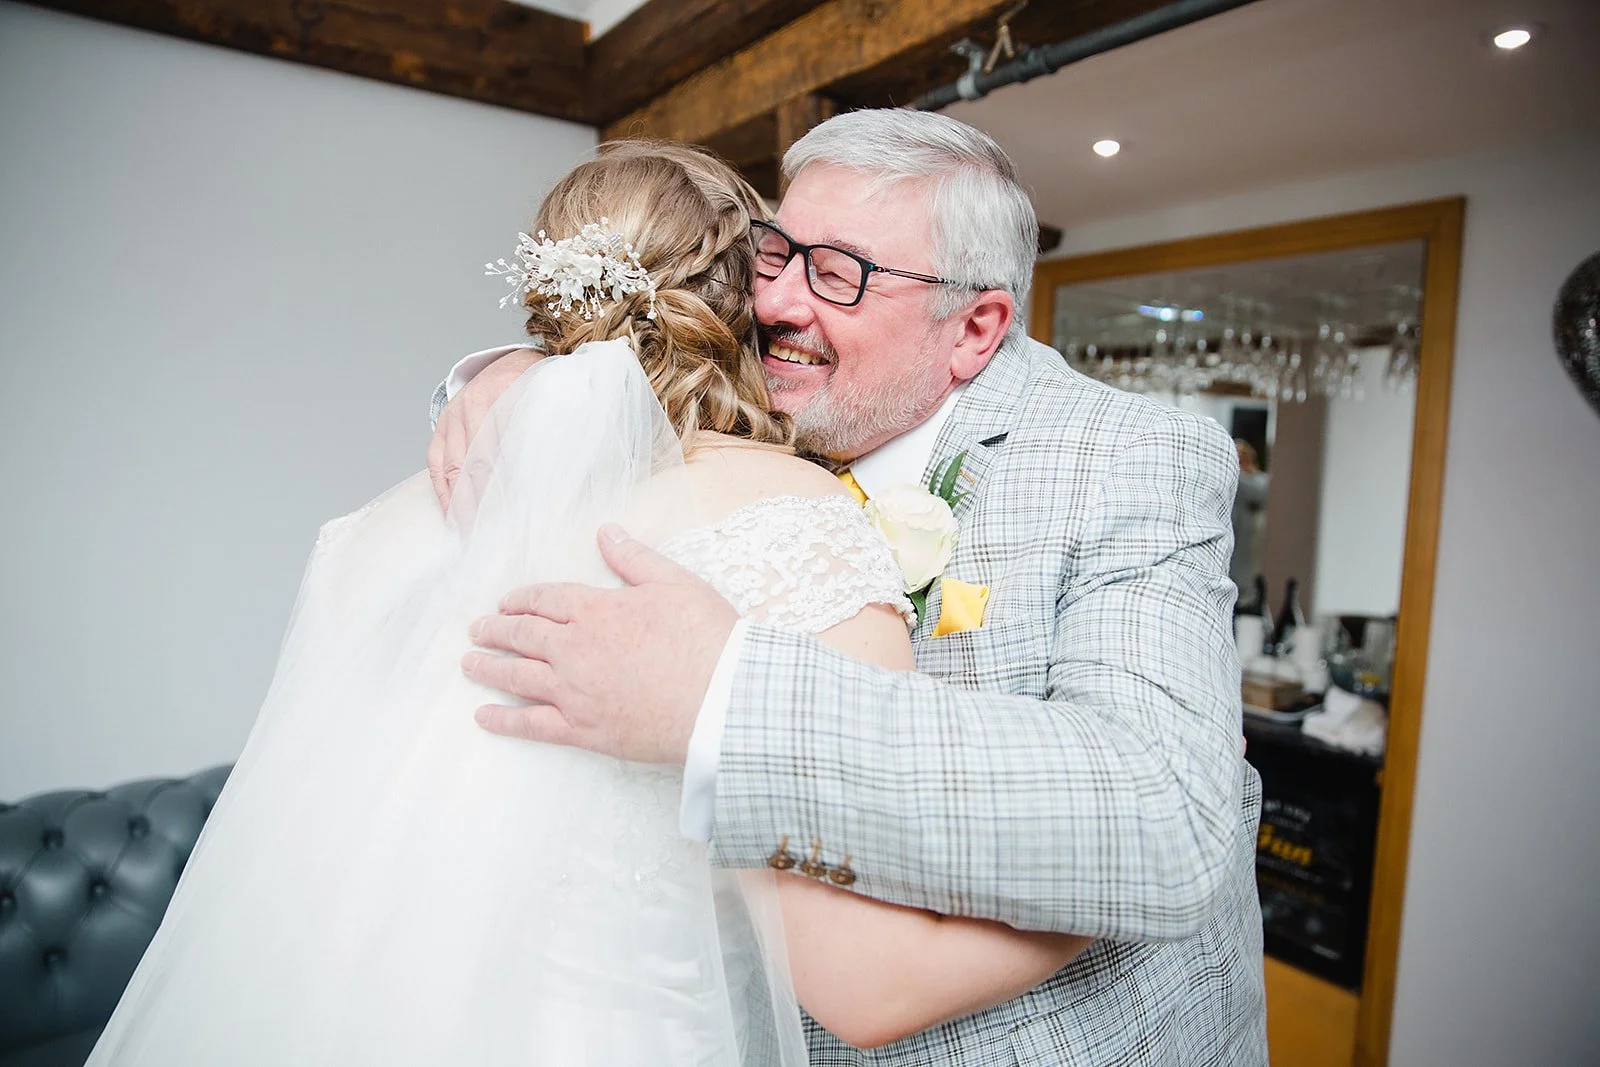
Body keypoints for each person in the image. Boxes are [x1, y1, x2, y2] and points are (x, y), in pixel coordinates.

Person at [86, 141, 1101, 1066]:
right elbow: (866, 981)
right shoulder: (788, 514)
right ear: (742, 301)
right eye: (779, 263)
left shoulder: (369, 530)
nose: (794, 299)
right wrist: (1120, 886)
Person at [433, 110, 1268, 1065]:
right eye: (776, 252)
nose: (775, 302)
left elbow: (1169, 812)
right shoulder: (769, 391)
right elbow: (625, 369)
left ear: (975, 328)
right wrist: (510, 372)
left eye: (839, 273)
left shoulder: (1129, 457)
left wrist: (723, 697)